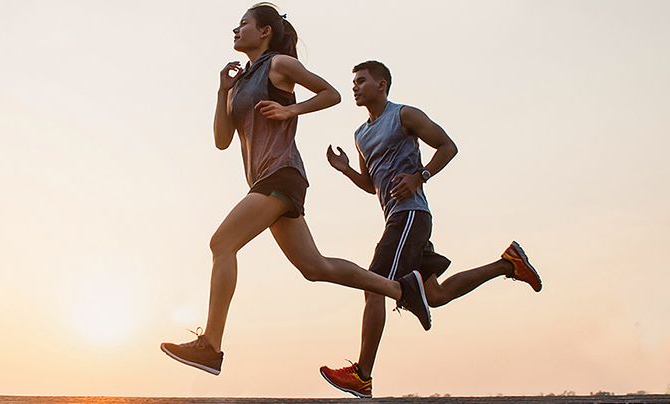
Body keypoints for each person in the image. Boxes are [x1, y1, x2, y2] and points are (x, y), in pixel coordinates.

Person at [160, 6, 432, 376]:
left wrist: (291, 111)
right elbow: (222, 140)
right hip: (263, 180)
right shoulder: (239, 82)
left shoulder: (279, 65)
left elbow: (331, 93)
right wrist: (222, 90)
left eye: (244, 24)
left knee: (222, 243)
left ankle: (211, 345)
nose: (236, 29)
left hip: (283, 175)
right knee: (315, 267)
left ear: (265, 31)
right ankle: (402, 291)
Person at [320, 60, 542, 398]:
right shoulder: (360, 134)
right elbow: (371, 185)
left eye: (361, 81)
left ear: (382, 85)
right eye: (353, 82)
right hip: (399, 216)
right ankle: (508, 264)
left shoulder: (404, 115)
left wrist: (419, 176)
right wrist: (347, 170)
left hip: (410, 215)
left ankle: (362, 374)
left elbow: (448, 146)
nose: (355, 87)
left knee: (373, 284)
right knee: (435, 295)